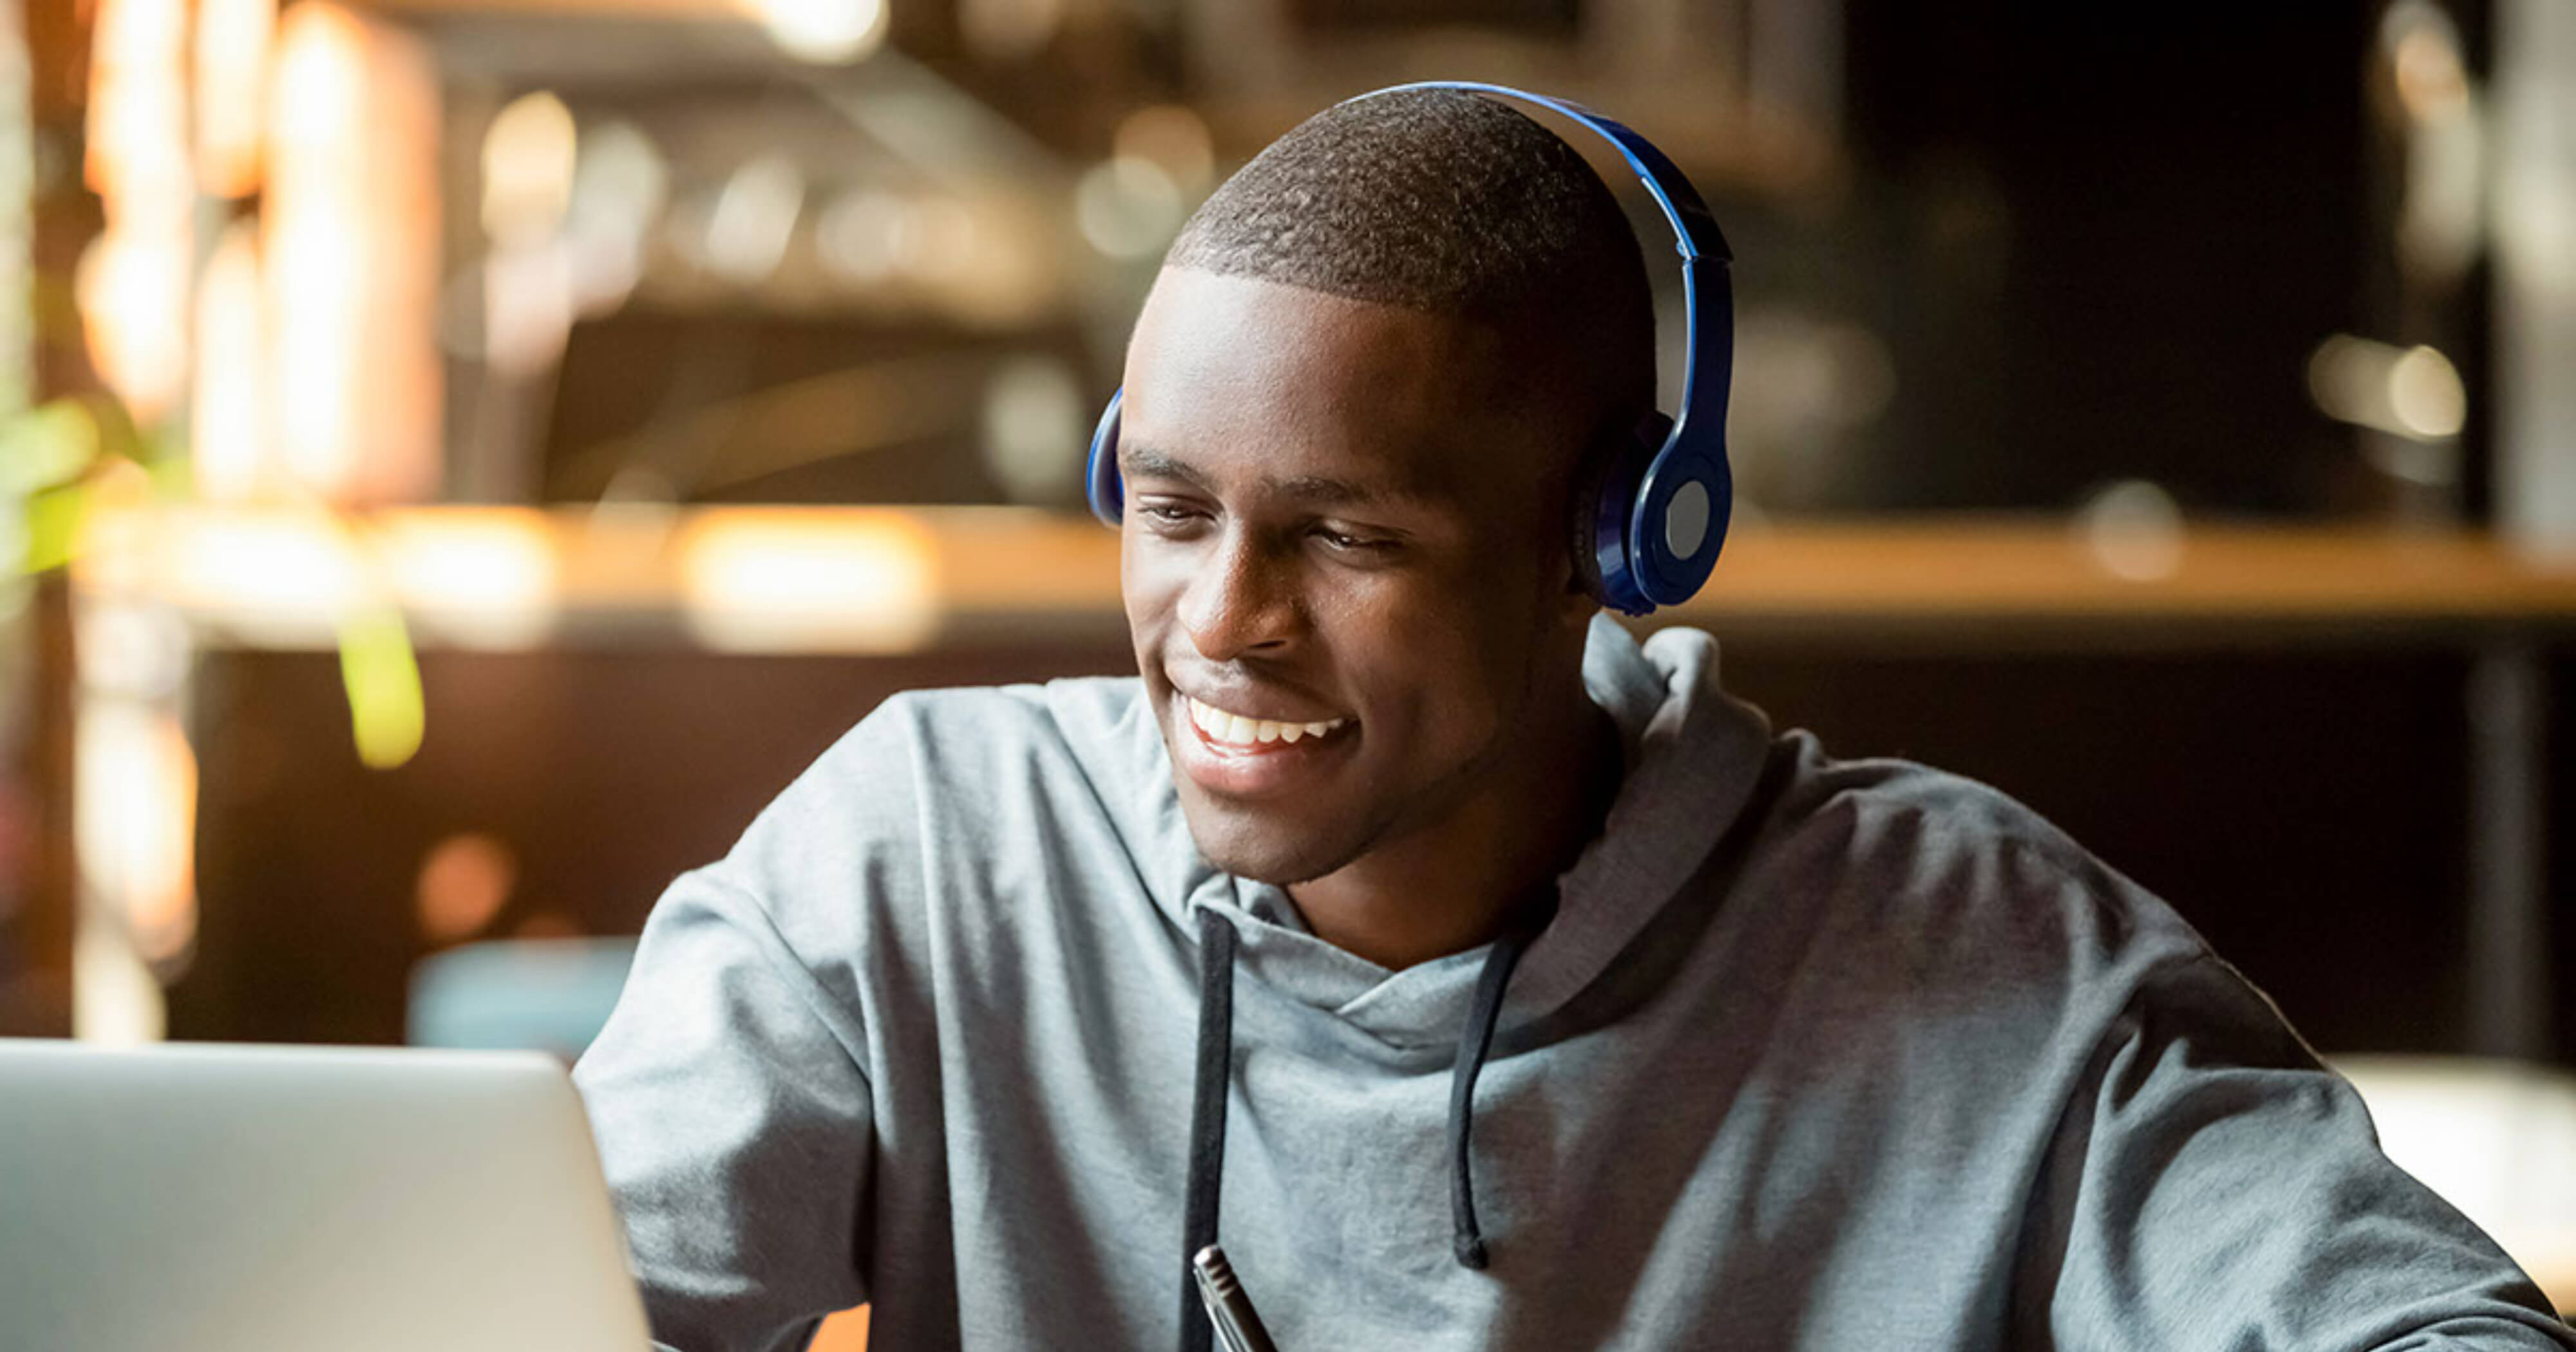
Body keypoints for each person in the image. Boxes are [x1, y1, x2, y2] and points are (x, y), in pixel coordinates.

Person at [572, 87, 2574, 1351]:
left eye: (1345, 536)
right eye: (1169, 510)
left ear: (1611, 542)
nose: (1218, 621)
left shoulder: (1970, 954)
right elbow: (508, 1298)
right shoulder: (928, 857)